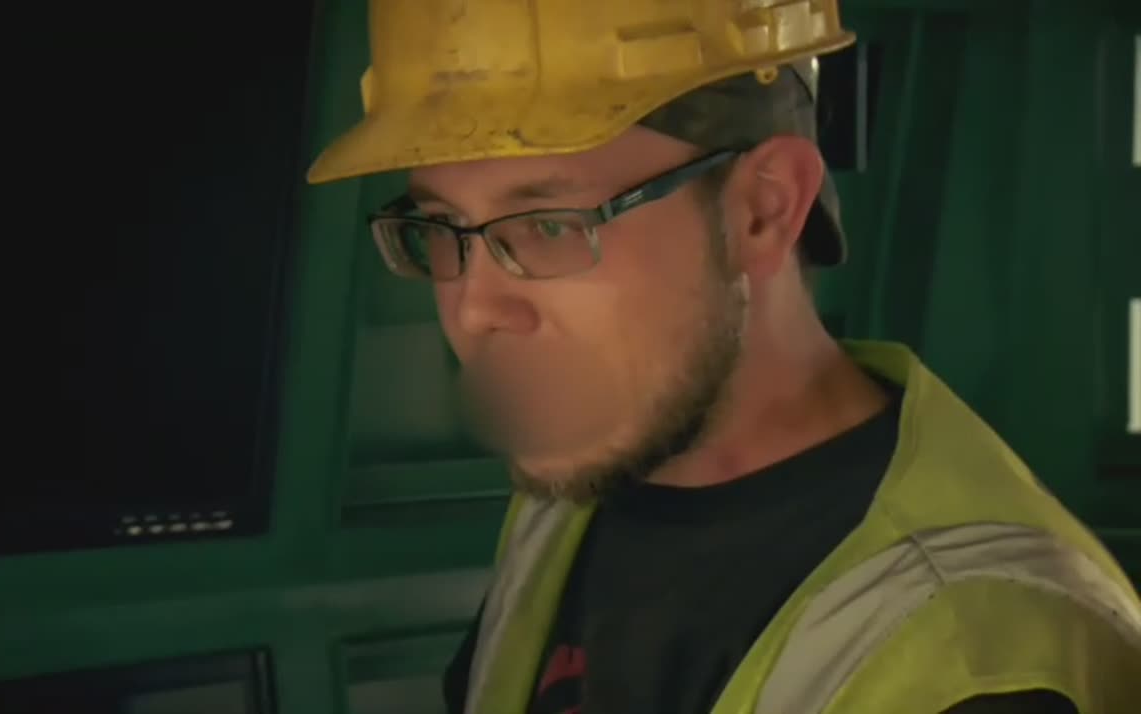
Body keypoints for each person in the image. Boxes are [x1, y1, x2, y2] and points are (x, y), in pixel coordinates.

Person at [306, 2, 1141, 713]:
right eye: (441, 228)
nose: (475, 309)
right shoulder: (574, 487)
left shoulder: (983, 655)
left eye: (550, 226)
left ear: (762, 212)